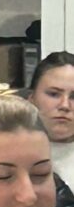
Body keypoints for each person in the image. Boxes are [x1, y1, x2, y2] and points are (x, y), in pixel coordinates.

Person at [27, 51, 74, 191]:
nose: (65, 105)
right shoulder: (7, 153)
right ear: (32, 99)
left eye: (73, 97)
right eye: (54, 94)